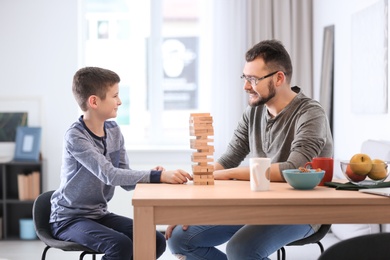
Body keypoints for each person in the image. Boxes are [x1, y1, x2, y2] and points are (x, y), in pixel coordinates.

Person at [165, 39, 333, 260]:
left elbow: (294, 169)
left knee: (240, 249)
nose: (246, 86)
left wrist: (227, 174)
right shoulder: (253, 113)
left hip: (301, 210)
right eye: (245, 78)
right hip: (259, 204)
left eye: (253, 79)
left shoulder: (310, 113)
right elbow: (228, 159)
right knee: (179, 238)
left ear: (279, 78)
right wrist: (192, 203)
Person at [49, 67, 192, 260]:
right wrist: (157, 176)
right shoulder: (76, 136)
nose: (120, 101)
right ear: (94, 101)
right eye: (115, 96)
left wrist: (154, 176)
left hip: (98, 214)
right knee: (120, 246)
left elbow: (124, 178)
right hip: (69, 219)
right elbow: (110, 174)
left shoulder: (114, 131)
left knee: (155, 240)